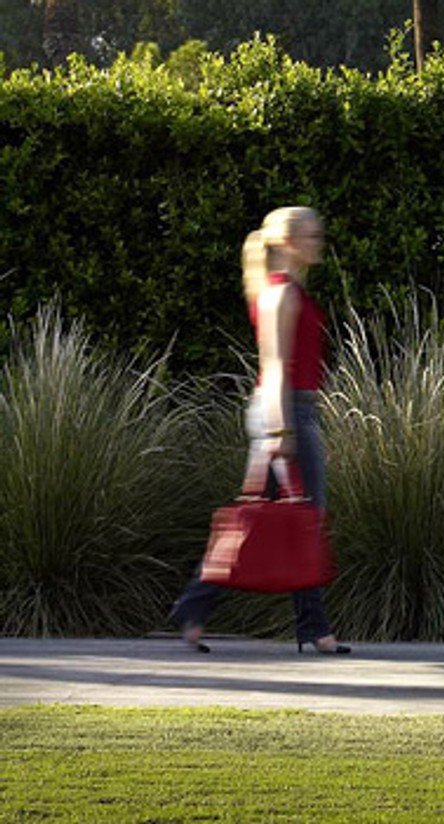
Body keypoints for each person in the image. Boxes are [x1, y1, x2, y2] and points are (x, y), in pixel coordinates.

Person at [170, 207, 349, 655]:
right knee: (303, 516)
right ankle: (312, 627)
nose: (318, 242)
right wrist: (279, 432)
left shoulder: (288, 292)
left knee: (289, 518)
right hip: (284, 413)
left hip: (294, 411)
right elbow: (273, 368)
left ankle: (194, 608)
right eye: (310, 235)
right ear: (287, 243)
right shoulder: (280, 295)